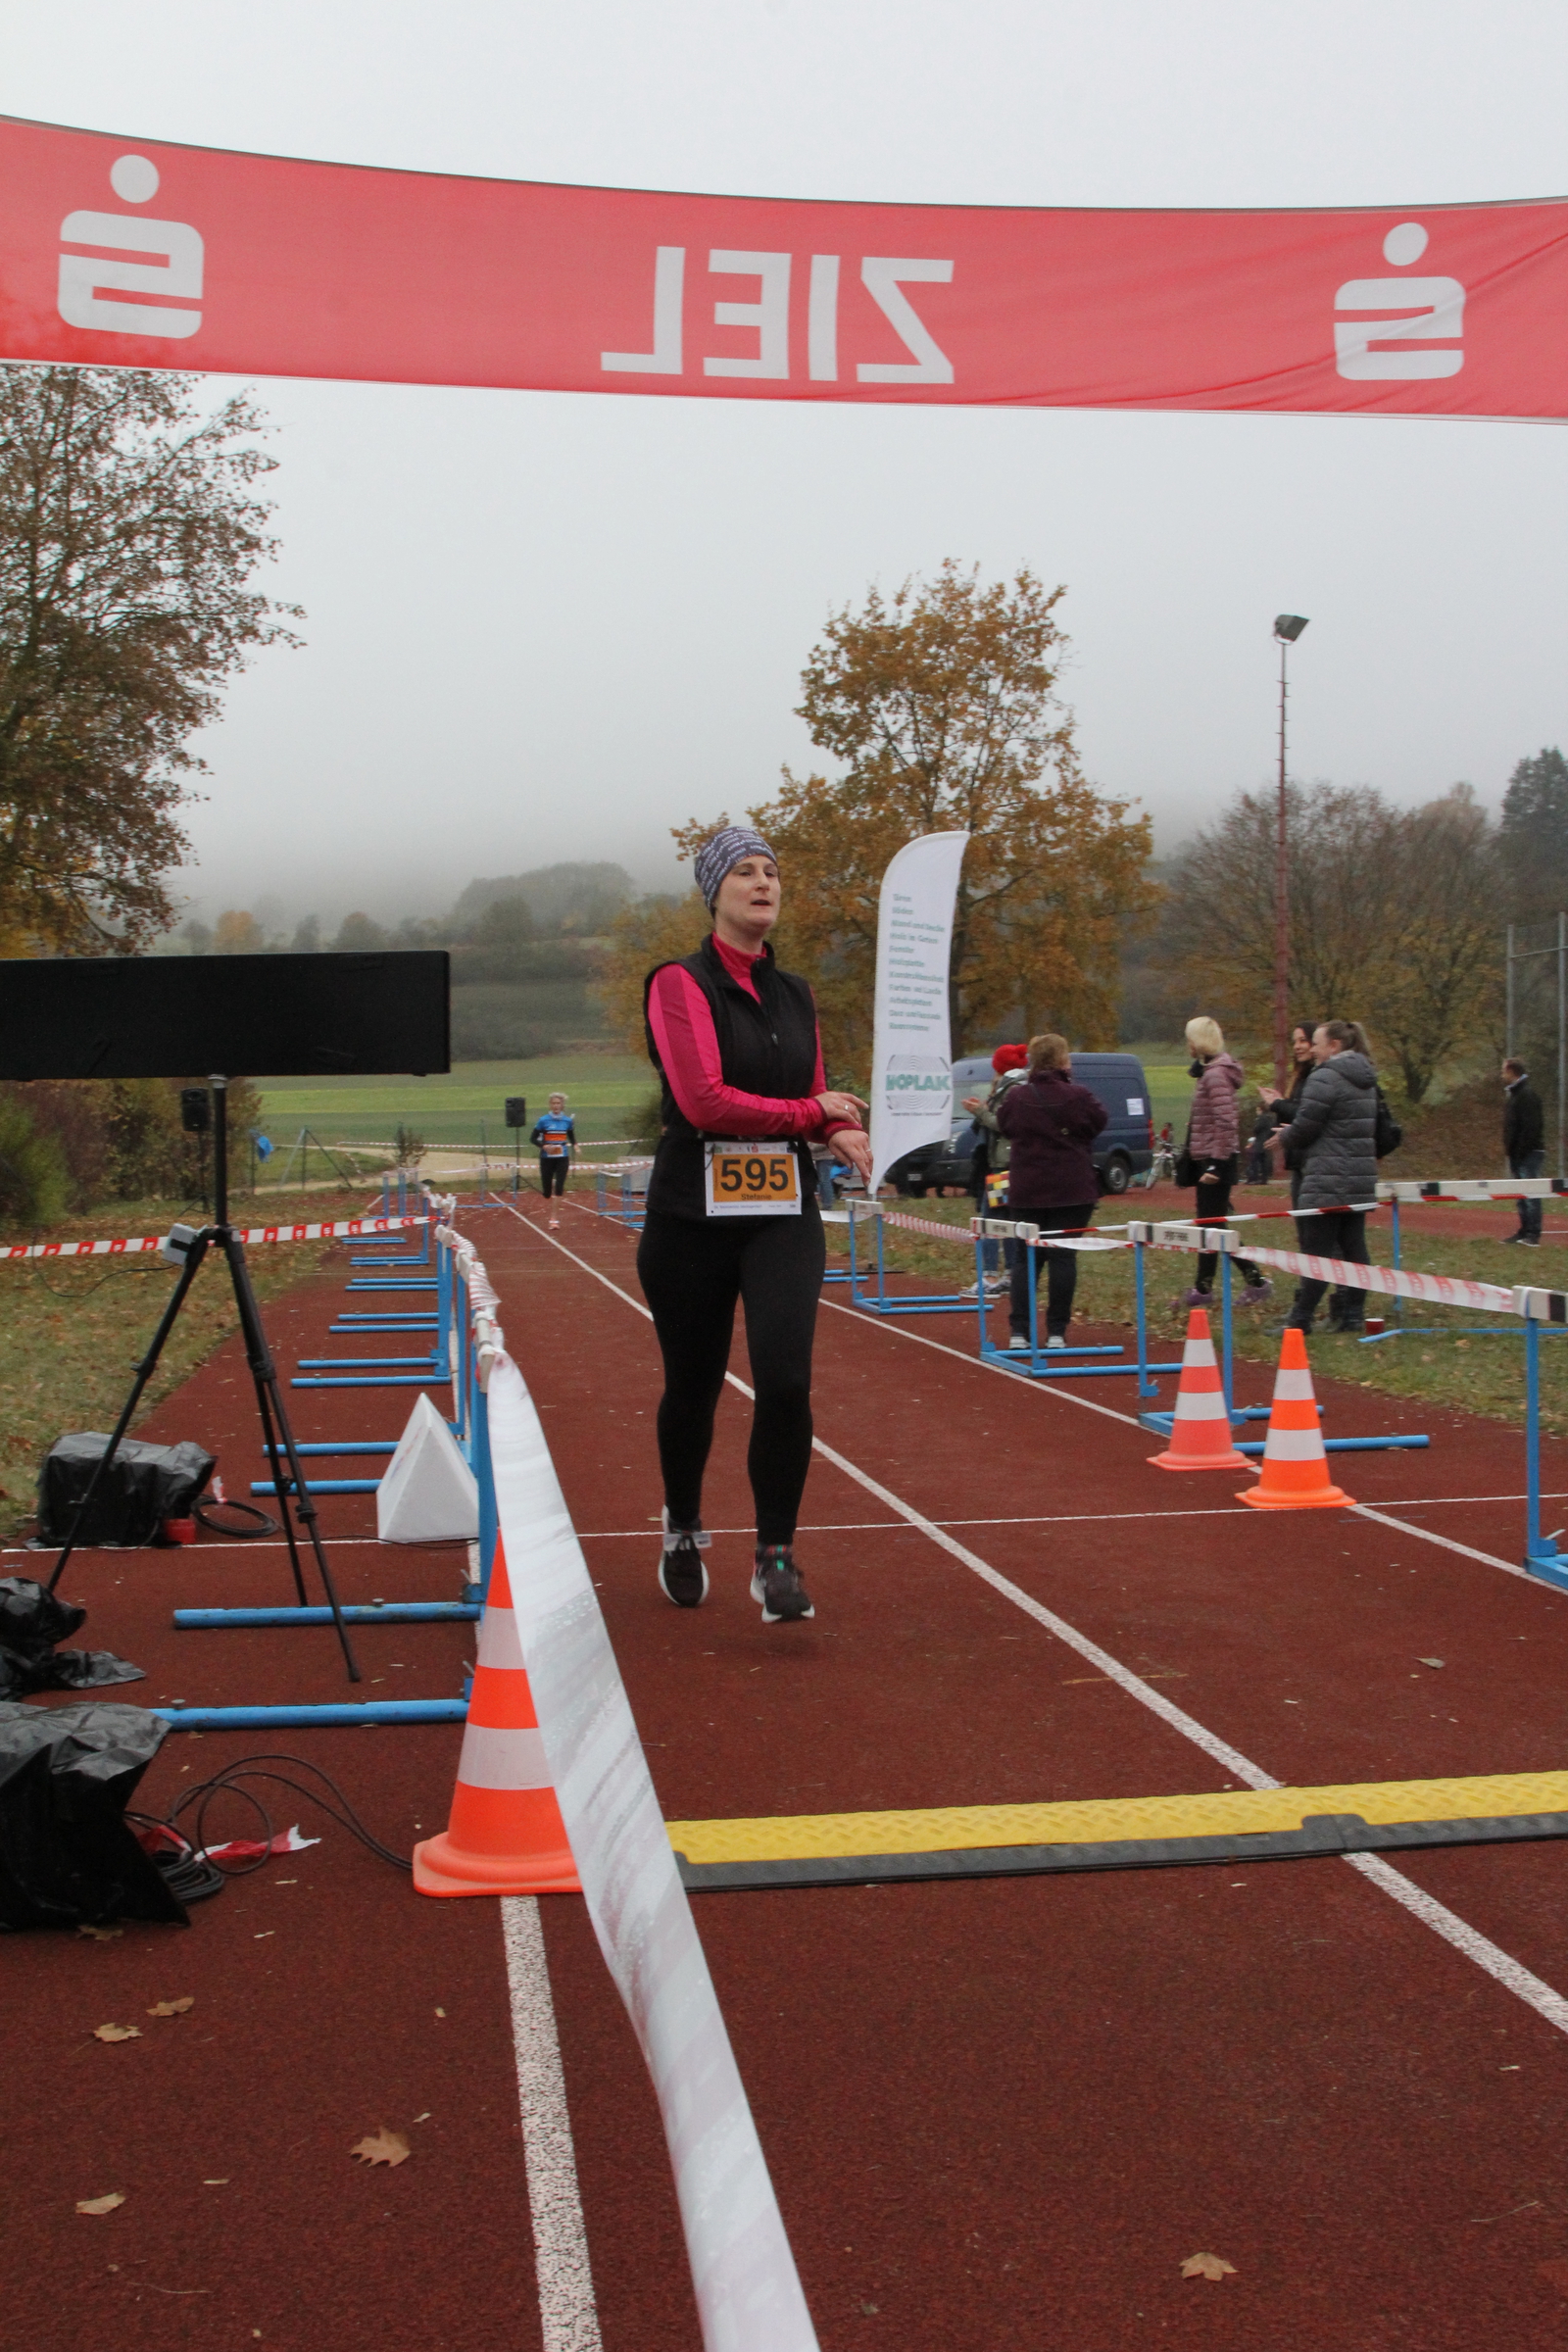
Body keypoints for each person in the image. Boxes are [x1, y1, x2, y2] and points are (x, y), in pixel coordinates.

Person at [637, 825, 872, 1625]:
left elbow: (814, 1094)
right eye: (744, 871)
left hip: (779, 1213)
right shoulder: (679, 983)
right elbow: (704, 1101)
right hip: (690, 1218)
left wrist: (840, 1129)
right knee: (693, 1386)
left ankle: (775, 1556)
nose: (763, 882)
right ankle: (681, 1525)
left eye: (771, 870)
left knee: (786, 1380)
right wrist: (812, 1113)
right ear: (715, 893)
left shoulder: (796, 993)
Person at [1262, 1019, 1377, 1333]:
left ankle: (1300, 1319)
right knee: (1354, 1248)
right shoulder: (1366, 1076)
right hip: (1359, 1176)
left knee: (1317, 1253)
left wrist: (1285, 1137)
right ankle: (1353, 1315)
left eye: (1316, 1043)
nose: (1311, 1049)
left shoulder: (1325, 1076)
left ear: (1334, 1046)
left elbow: (1307, 1125)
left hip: (1327, 1175)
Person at [995, 1034, 1106, 1350]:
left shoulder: (1017, 1097)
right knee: (1063, 1257)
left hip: (1027, 1189)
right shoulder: (1079, 1096)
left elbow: (1005, 1126)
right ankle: (1057, 1332)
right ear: (1061, 1061)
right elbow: (1099, 1122)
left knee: (1025, 1259)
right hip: (1071, 1189)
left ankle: (1019, 1332)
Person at [1177, 1017, 1270, 1307]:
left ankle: (1247, 1284)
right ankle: (1215, 1286)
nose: (1187, 1044)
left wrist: (1216, 1165)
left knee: (1211, 1226)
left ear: (1199, 1041)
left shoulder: (1216, 1076)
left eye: (1190, 1038)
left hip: (1216, 1160)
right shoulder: (1209, 1073)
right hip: (1208, 1157)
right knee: (1213, 1226)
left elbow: (1226, 1122)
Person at [960, 1044, 1029, 1297]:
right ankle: (1010, 1274)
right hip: (1008, 1163)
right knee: (1008, 1220)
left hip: (1004, 1165)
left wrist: (979, 1112)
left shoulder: (1011, 1090)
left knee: (989, 1221)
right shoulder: (1016, 1087)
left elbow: (1003, 1124)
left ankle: (989, 1276)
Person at [1502, 1057, 1545, 1246]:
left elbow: (1531, 1128)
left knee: (1530, 1194)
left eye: (1504, 1071)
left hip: (1528, 1154)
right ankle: (1524, 1231)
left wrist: (1520, 1151)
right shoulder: (1515, 1095)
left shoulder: (1527, 1095)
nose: (1502, 1075)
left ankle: (1533, 1234)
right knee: (1521, 1195)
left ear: (1512, 1072)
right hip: (1517, 1154)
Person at [530, 1093, 575, 1199]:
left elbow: (571, 1136)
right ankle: (550, 1187)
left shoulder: (567, 1121)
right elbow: (532, 1138)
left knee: (559, 1188)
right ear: (550, 1105)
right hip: (547, 1158)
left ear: (562, 1105)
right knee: (547, 1193)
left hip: (562, 1157)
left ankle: (557, 1206)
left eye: (558, 1103)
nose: (556, 1106)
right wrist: (543, 1146)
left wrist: (575, 1145)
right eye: (553, 1103)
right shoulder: (543, 1120)